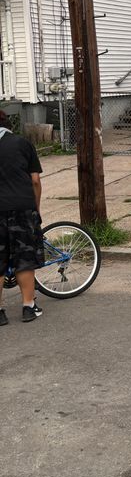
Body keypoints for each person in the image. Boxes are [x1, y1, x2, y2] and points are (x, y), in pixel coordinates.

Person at [0, 109, 44, 324]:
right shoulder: (22, 143)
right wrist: (35, 208)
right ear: (8, 125)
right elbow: (35, 180)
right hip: (21, 206)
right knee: (24, 258)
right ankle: (28, 307)